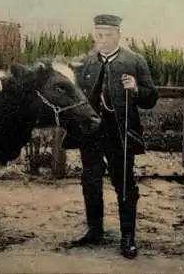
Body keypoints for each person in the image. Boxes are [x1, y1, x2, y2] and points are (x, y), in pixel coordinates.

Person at [62, 14, 159, 259]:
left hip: (120, 134)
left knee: (124, 183)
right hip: (91, 135)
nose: (102, 41)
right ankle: (95, 230)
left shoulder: (135, 61)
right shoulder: (86, 62)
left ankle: (128, 237)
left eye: (107, 35)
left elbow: (151, 97)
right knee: (90, 182)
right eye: (98, 36)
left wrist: (135, 89)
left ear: (118, 35)